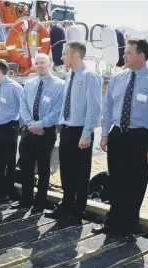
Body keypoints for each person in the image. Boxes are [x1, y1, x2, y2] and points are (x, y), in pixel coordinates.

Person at [94, 38, 148, 242]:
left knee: (136, 184)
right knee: (116, 180)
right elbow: (108, 107)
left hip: (142, 137)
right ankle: (112, 223)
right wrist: (104, 133)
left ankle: (128, 227)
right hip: (118, 135)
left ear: (142, 56)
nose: (124, 56)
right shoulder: (118, 79)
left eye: (128, 53)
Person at [44, 41, 102, 224]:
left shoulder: (90, 76)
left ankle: (78, 211)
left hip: (80, 132)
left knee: (80, 172)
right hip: (67, 130)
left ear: (75, 55)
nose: (62, 57)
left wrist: (87, 133)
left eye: (64, 54)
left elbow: (94, 107)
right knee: (67, 171)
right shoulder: (70, 76)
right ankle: (66, 205)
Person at [13, 53, 64, 212]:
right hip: (29, 131)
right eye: (37, 63)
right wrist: (30, 124)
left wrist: (40, 124)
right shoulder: (28, 84)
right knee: (26, 167)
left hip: (46, 132)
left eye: (43, 62)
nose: (40, 65)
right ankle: (25, 200)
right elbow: (23, 105)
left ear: (49, 64)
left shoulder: (60, 85)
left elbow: (57, 110)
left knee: (43, 168)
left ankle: (40, 202)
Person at [0, 59, 23, 203]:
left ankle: (9, 192)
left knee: (10, 161)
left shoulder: (15, 87)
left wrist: (20, 125)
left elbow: (23, 106)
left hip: (10, 127)